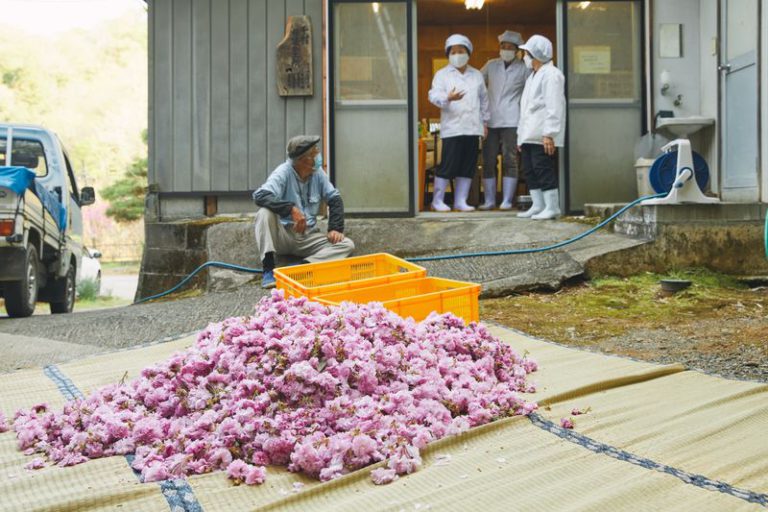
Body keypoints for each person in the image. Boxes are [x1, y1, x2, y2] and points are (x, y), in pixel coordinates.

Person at [252, 135, 354, 288]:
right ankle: (268, 269)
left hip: (308, 236)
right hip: (284, 235)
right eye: (314, 153)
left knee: (347, 245)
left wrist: (335, 228)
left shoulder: (318, 173)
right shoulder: (283, 172)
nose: (318, 157)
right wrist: (290, 209)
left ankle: (301, 269)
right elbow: (260, 196)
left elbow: (334, 199)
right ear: (303, 160)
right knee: (264, 213)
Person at [428, 34, 490, 212]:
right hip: (453, 128)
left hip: (472, 128)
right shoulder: (442, 75)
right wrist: (448, 97)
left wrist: (485, 122)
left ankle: (460, 201)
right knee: (448, 164)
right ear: (448, 54)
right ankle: (437, 200)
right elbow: (433, 95)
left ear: (468, 53)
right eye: (453, 52)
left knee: (467, 165)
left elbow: (484, 100)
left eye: (461, 51)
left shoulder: (476, 74)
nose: (457, 55)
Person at [517, 34, 566, 220]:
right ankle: (538, 205)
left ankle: (552, 206)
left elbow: (554, 106)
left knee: (542, 168)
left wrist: (549, 134)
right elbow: (525, 109)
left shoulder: (552, 75)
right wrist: (520, 136)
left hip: (541, 134)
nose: (524, 57)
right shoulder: (533, 76)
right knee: (529, 170)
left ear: (536, 54)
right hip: (529, 133)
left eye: (526, 53)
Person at [479, 30, 530, 210]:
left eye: (510, 47)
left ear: (517, 50)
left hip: (512, 120)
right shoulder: (491, 65)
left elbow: (530, 92)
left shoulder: (524, 68)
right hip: (491, 120)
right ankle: (489, 200)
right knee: (488, 160)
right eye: (503, 47)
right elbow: (477, 83)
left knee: (510, 159)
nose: (506, 50)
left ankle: (507, 200)